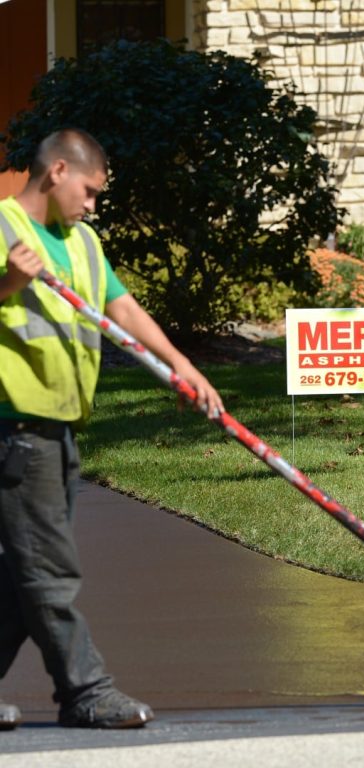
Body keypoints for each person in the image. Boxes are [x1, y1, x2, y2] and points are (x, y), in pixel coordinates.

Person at [0, 128, 224, 729]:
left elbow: (121, 308)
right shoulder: (3, 231)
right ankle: (86, 691)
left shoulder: (84, 243)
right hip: (14, 430)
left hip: (62, 428)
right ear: (58, 172)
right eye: (91, 191)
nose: (94, 204)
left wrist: (182, 365)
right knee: (47, 571)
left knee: (24, 574)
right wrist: (9, 284)